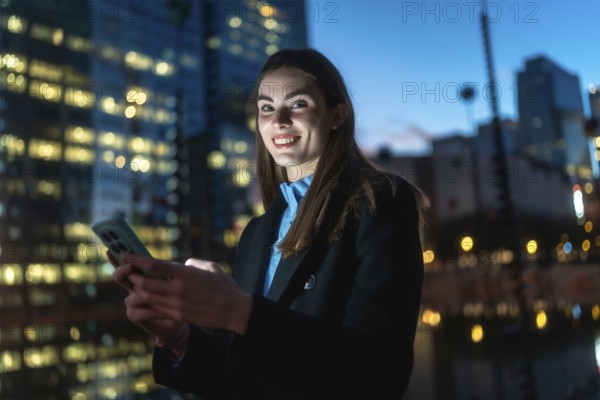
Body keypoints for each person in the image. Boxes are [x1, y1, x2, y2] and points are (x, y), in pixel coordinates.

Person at [112, 48, 427, 399]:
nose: (278, 120)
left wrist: (241, 312)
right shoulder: (256, 233)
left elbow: (378, 373)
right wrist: (178, 338)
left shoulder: (380, 201)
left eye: (297, 104)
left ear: (337, 115)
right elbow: (238, 379)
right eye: (266, 108)